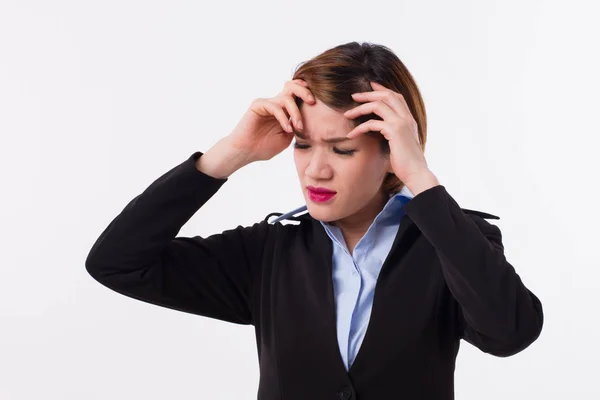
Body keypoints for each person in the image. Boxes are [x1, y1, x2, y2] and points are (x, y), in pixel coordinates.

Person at [85, 41, 543, 399]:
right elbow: (117, 263)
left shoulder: (453, 242)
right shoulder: (269, 253)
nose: (315, 170)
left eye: (342, 149)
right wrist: (231, 153)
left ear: (391, 152)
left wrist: (421, 177)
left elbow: (510, 333)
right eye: (303, 145)